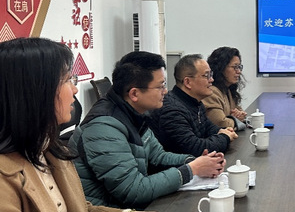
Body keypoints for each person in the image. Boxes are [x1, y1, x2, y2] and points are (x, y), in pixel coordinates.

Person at [69, 51, 226, 209]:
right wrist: (191, 170)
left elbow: (158, 156)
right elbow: (133, 190)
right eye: (160, 86)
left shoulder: (135, 113)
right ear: (134, 93)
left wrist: (196, 162)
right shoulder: (103, 128)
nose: (165, 91)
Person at [0, 37, 122, 212]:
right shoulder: (4, 178)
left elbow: (80, 208)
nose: (75, 89)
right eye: (67, 80)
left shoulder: (50, 150)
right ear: (36, 92)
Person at [149, 54, 237, 155]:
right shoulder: (172, 111)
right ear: (188, 82)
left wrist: (224, 131)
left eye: (211, 74)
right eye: (206, 75)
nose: (211, 80)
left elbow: (209, 128)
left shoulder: (196, 103)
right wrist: (225, 137)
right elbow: (197, 149)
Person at [204, 47, 247, 129]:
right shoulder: (211, 92)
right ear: (221, 68)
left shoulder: (228, 89)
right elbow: (221, 123)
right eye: (235, 67)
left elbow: (238, 111)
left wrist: (240, 115)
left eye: (239, 67)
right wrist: (236, 120)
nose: (239, 71)